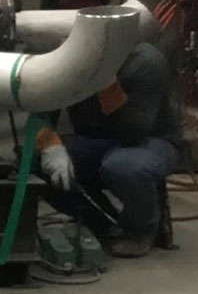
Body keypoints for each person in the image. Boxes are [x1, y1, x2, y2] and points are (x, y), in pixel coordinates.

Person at [34, 42, 181, 258]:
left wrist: (106, 84)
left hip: (149, 141)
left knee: (124, 166)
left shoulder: (144, 63)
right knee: (31, 160)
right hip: (97, 142)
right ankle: (104, 224)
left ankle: (139, 229)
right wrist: (50, 146)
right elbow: (40, 111)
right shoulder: (68, 61)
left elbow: (133, 132)